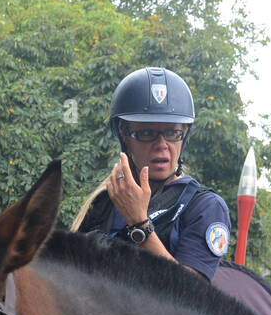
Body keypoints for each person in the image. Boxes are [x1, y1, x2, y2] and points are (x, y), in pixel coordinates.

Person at [73, 66, 232, 281]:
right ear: (125, 137)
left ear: (183, 137)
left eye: (172, 133)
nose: (162, 145)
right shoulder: (105, 203)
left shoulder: (204, 207)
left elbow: (193, 295)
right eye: (147, 133)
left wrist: (140, 225)